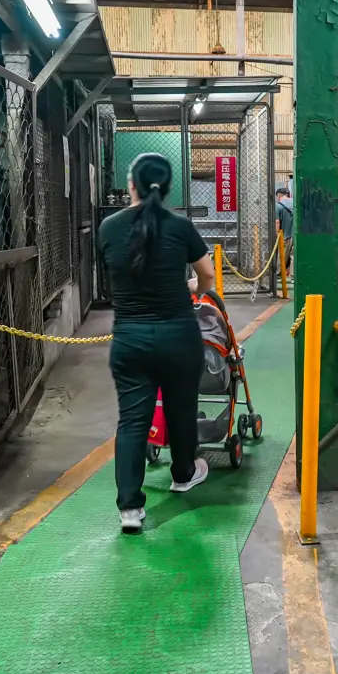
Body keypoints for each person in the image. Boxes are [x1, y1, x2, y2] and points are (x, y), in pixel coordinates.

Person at [98, 152, 216, 533]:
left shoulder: (108, 228)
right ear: (166, 188)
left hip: (130, 340)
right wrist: (192, 288)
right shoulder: (180, 226)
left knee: (133, 420)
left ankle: (130, 509)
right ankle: (183, 474)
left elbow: (118, 275)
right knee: (182, 410)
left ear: (131, 184)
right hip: (178, 338)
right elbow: (207, 275)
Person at [276, 186, 294, 276]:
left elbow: (277, 221)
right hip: (295, 235)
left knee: (282, 256)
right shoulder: (295, 203)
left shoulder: (278, 205)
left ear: (279, 196)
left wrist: (277, 235)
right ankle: (293, 276)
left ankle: (279, 274)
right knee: (293, 256)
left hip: (285, 235)